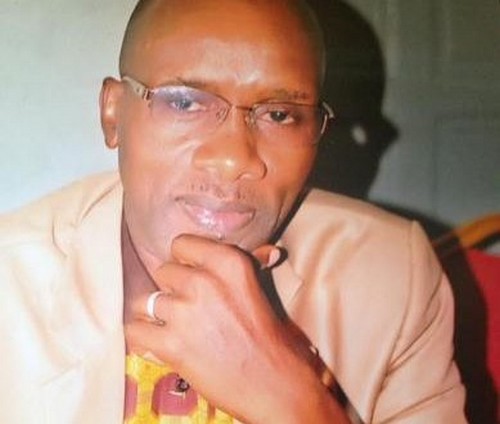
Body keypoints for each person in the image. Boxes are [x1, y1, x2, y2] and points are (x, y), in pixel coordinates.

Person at [0, 0, 466, 423]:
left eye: (279, 114)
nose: (234, 159)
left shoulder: (391, 277)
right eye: (186, 102)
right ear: (113, 114)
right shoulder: (11, 282)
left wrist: (295, 405)